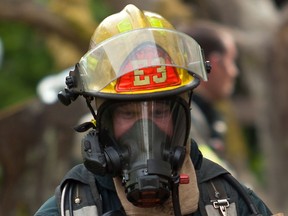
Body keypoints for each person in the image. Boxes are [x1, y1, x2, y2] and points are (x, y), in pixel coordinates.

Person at [34, 4, 277, 216]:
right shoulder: (68, 209)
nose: (146, 131)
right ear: (102, 118)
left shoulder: (233, 204)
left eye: (160, 112)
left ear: (183, 115)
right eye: (128, 113)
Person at [178, 22, 245, 171]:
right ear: (213, 63)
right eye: (231, 60)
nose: (234, 72)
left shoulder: (200, 113)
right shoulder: (185, 118)